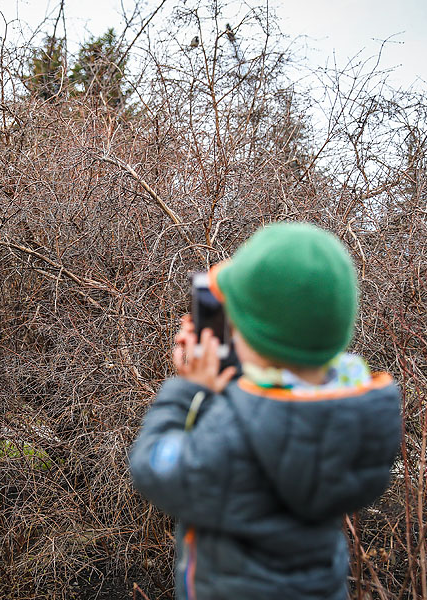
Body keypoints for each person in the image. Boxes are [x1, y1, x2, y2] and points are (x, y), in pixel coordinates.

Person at [129, 222, 401, 599]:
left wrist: (189, 390)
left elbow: (154, 465)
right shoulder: (351, 408)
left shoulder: (234, 435)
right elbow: (275, 410)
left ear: (252, 337)